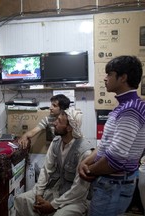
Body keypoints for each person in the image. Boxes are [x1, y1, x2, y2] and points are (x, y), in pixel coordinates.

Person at [78, 55, 145, 216]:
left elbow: (115, 158)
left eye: (109, 74)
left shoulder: (130, 110)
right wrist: (84, 162)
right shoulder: (124, 106)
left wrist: (89, 170)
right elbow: (105, 145)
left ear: (123, 78)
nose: (105, 78)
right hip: (111, 183)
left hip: (114, 184)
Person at [14, 108, 95, 216]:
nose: (54, 123)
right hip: (56, 189)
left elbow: (79, 190)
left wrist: (53, 205)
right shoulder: (56, 142)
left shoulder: (85, 152)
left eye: (59, 121)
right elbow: (46, 170)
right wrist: (39, 194)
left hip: (75, 199)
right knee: (22, 200)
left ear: (70, 127)